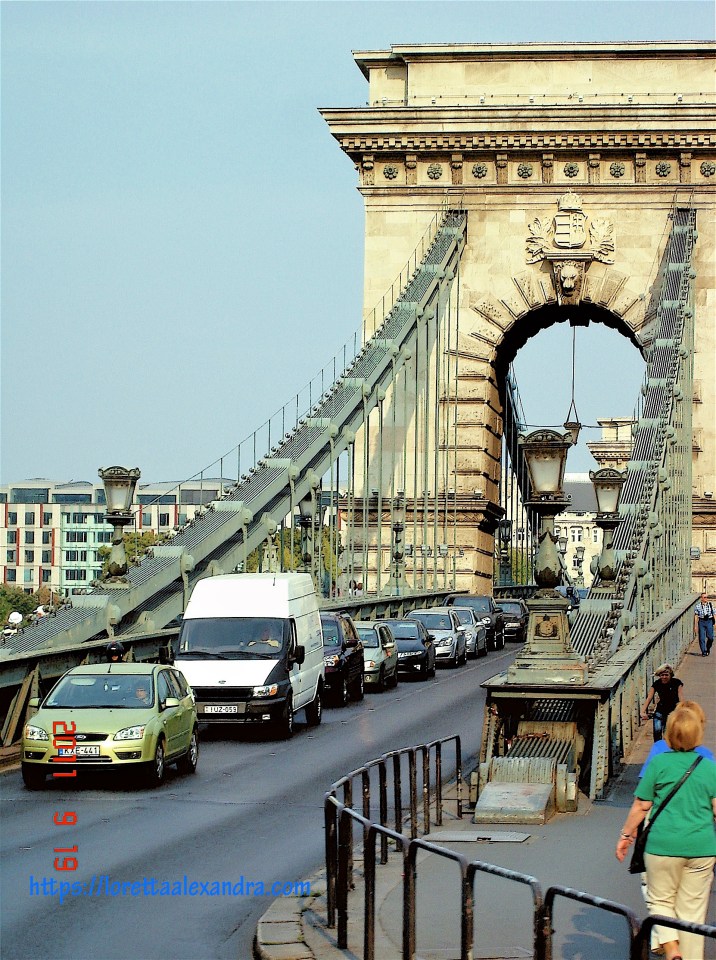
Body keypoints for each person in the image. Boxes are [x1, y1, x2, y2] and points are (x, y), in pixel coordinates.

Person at [616, 708, 716, 960]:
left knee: (660, 900)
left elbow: (641, 806)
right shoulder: (709, 767)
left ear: (669, 735)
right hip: (701, 849)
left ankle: (671, 950)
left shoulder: (659, 763)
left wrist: (626, 836)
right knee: (693, 913)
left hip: (661, 847)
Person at [641, 663, 683, 742]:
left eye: (666, 675)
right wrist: (642, 711)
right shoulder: (657, 684)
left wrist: (682, 710)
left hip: (672, 712)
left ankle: (666, 750)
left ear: (670, 675)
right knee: (657, 732)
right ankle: (658, 751)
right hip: (660, 711)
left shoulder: (677, 683)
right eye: (662, 675)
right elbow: (649, 698)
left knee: (667, 734)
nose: (664, 677)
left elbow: (680, 697)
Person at [693, 592, 714, 657]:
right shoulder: (698, 606)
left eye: (707, 597)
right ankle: (703, 651)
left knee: (710, 637)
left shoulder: (710, 605)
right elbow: (696, 616)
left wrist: (715, 622)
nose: (706, 599)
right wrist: (695, 625)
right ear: (701, 598)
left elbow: (714, 614)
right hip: (701, 621)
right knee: (702, 637)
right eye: (705, 597)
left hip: (709, 621)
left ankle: (708, 648)